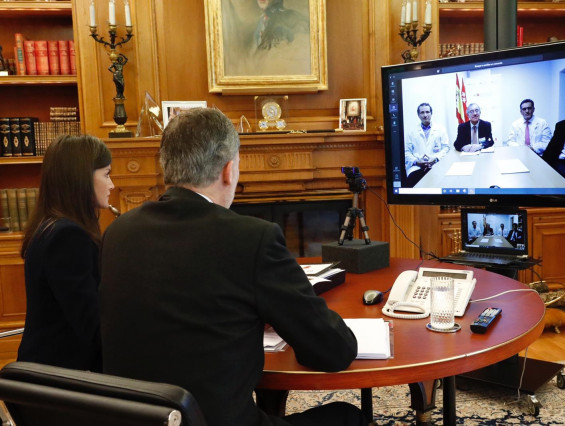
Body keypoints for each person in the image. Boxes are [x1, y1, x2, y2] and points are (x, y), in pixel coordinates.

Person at [99, 108, 366, 426]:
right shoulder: (252, 238)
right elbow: (334, 350)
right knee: (349, 417)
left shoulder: (117, 232)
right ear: (229, 171)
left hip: (139, 420)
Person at [17, 135, 113, 372]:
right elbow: (92, 326)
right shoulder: (68, 237)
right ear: (81, 178)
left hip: (52, 374)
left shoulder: (50, 226)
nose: (111, 185)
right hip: (60, 384)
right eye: (107, 174)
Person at [404, 103, 450, 187]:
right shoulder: (411, 131)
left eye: (427, 112)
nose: (425, 115)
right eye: (422, 112)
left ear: (431, 113)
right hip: (417, 167)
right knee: (413, 184)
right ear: (418, 115)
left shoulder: (440, 129)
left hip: (435, 165)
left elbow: (446, 148)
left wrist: (435, 158)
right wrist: (417, 162)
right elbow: (407, 152)